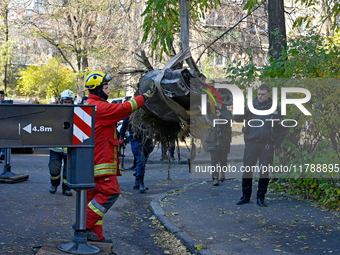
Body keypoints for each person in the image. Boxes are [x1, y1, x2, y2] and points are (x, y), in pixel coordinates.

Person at [84, 71, 156, 243]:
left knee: (93, 200)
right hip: (100, 161)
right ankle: (83, 225)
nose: (108, 91)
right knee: (111, 192)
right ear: (98, 89)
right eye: (106, 87)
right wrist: (144, 97)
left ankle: (96, 235)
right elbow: (122, 109)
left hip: (91, 162)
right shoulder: (99, 108)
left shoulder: (91, 105)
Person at [234, 84, 286, 207]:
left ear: (268, 94)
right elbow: (237, 118)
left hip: (267, 145)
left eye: (263, 94)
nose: (260, 96)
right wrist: (245, 108)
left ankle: (260, 198)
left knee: (264, 172)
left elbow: (282, 128)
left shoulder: (275, 108)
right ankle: (245, 196)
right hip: (251, 143)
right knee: (247, 170)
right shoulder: (251, 105)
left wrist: (276, 144)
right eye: (259, 94)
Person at [48, 89, 75, 196]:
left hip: (70, 147)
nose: (67, 104)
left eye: (69, 102)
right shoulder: (54, 113)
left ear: (72, 102)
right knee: (54, 168)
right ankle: (54, 184)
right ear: (61, 101)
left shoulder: (76, 113)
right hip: (56, 146)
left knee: (68, 169)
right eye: (65, 102)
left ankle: (66, 188)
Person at [119, 116, 154, 193]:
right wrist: (121, 137)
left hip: (147, 140)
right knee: (141, 160)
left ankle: (137, 182)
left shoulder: (148, 113)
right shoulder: (133, 113)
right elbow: (125, 123)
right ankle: (141, 183)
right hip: (136, 139)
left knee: (143, 162)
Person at [205, 106, 232, 186]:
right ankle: (215, 178)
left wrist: (221, 116)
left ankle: (222, 173)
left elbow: (229, 121)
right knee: (214, 161)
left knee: (223, 160)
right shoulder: (209, 112)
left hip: (224, 140)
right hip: (213, 140)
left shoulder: (227, 112)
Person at [0, 91, 5, 160]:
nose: (2, 97)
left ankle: (3, 153)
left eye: (3, 96)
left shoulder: (5, 105)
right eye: (1, 96)